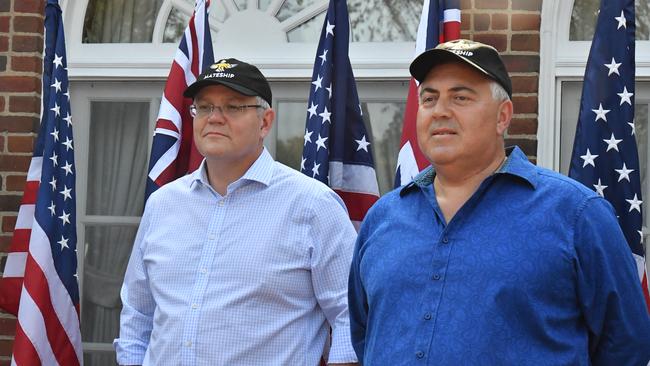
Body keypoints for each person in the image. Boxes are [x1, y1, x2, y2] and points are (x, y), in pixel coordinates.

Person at [348, 39, 650, 365]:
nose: (440, 111)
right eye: (429, 98)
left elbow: (626, 346)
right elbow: (367, 333)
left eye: (460, 97)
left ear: (502, 117)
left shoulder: (576, 215)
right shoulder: (384, 217)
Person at [114, 58, 358, 366]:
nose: (214, 118)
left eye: (233, 107)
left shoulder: (312, 205)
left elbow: (352, 316)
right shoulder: (162, 205)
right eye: (204, 107)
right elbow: (137, 315)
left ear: (265, 122)